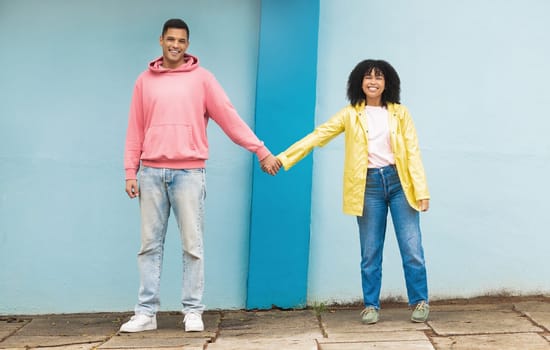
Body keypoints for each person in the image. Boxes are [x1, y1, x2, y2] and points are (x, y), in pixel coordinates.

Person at [121, 18, 280, 333]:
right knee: (149, 246)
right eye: (170, 39)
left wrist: (260, 150)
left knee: (193, 245)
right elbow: (134, 128)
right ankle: (146, 313)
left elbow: (229, 118)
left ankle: (193, 311)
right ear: (161, 40)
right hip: (151, 172)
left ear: (187, 45)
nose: (175, 45)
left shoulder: (203, 79)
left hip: (189, 173)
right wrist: (130, 170)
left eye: (181, 41)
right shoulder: (144, 81)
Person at [276, 59, 430, 324]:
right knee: (370, 251)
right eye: (368, 77)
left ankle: (419, 301)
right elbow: (319, 135)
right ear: (359, 82)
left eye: (379, 77)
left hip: (400, 183)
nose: (373, 81)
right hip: (367, 186)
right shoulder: (350, 114)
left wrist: (421, 190)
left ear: (387, 83)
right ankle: (371, 305)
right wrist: (284, 158)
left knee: (412, 247)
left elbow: (413, 152)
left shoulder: (400, 113)